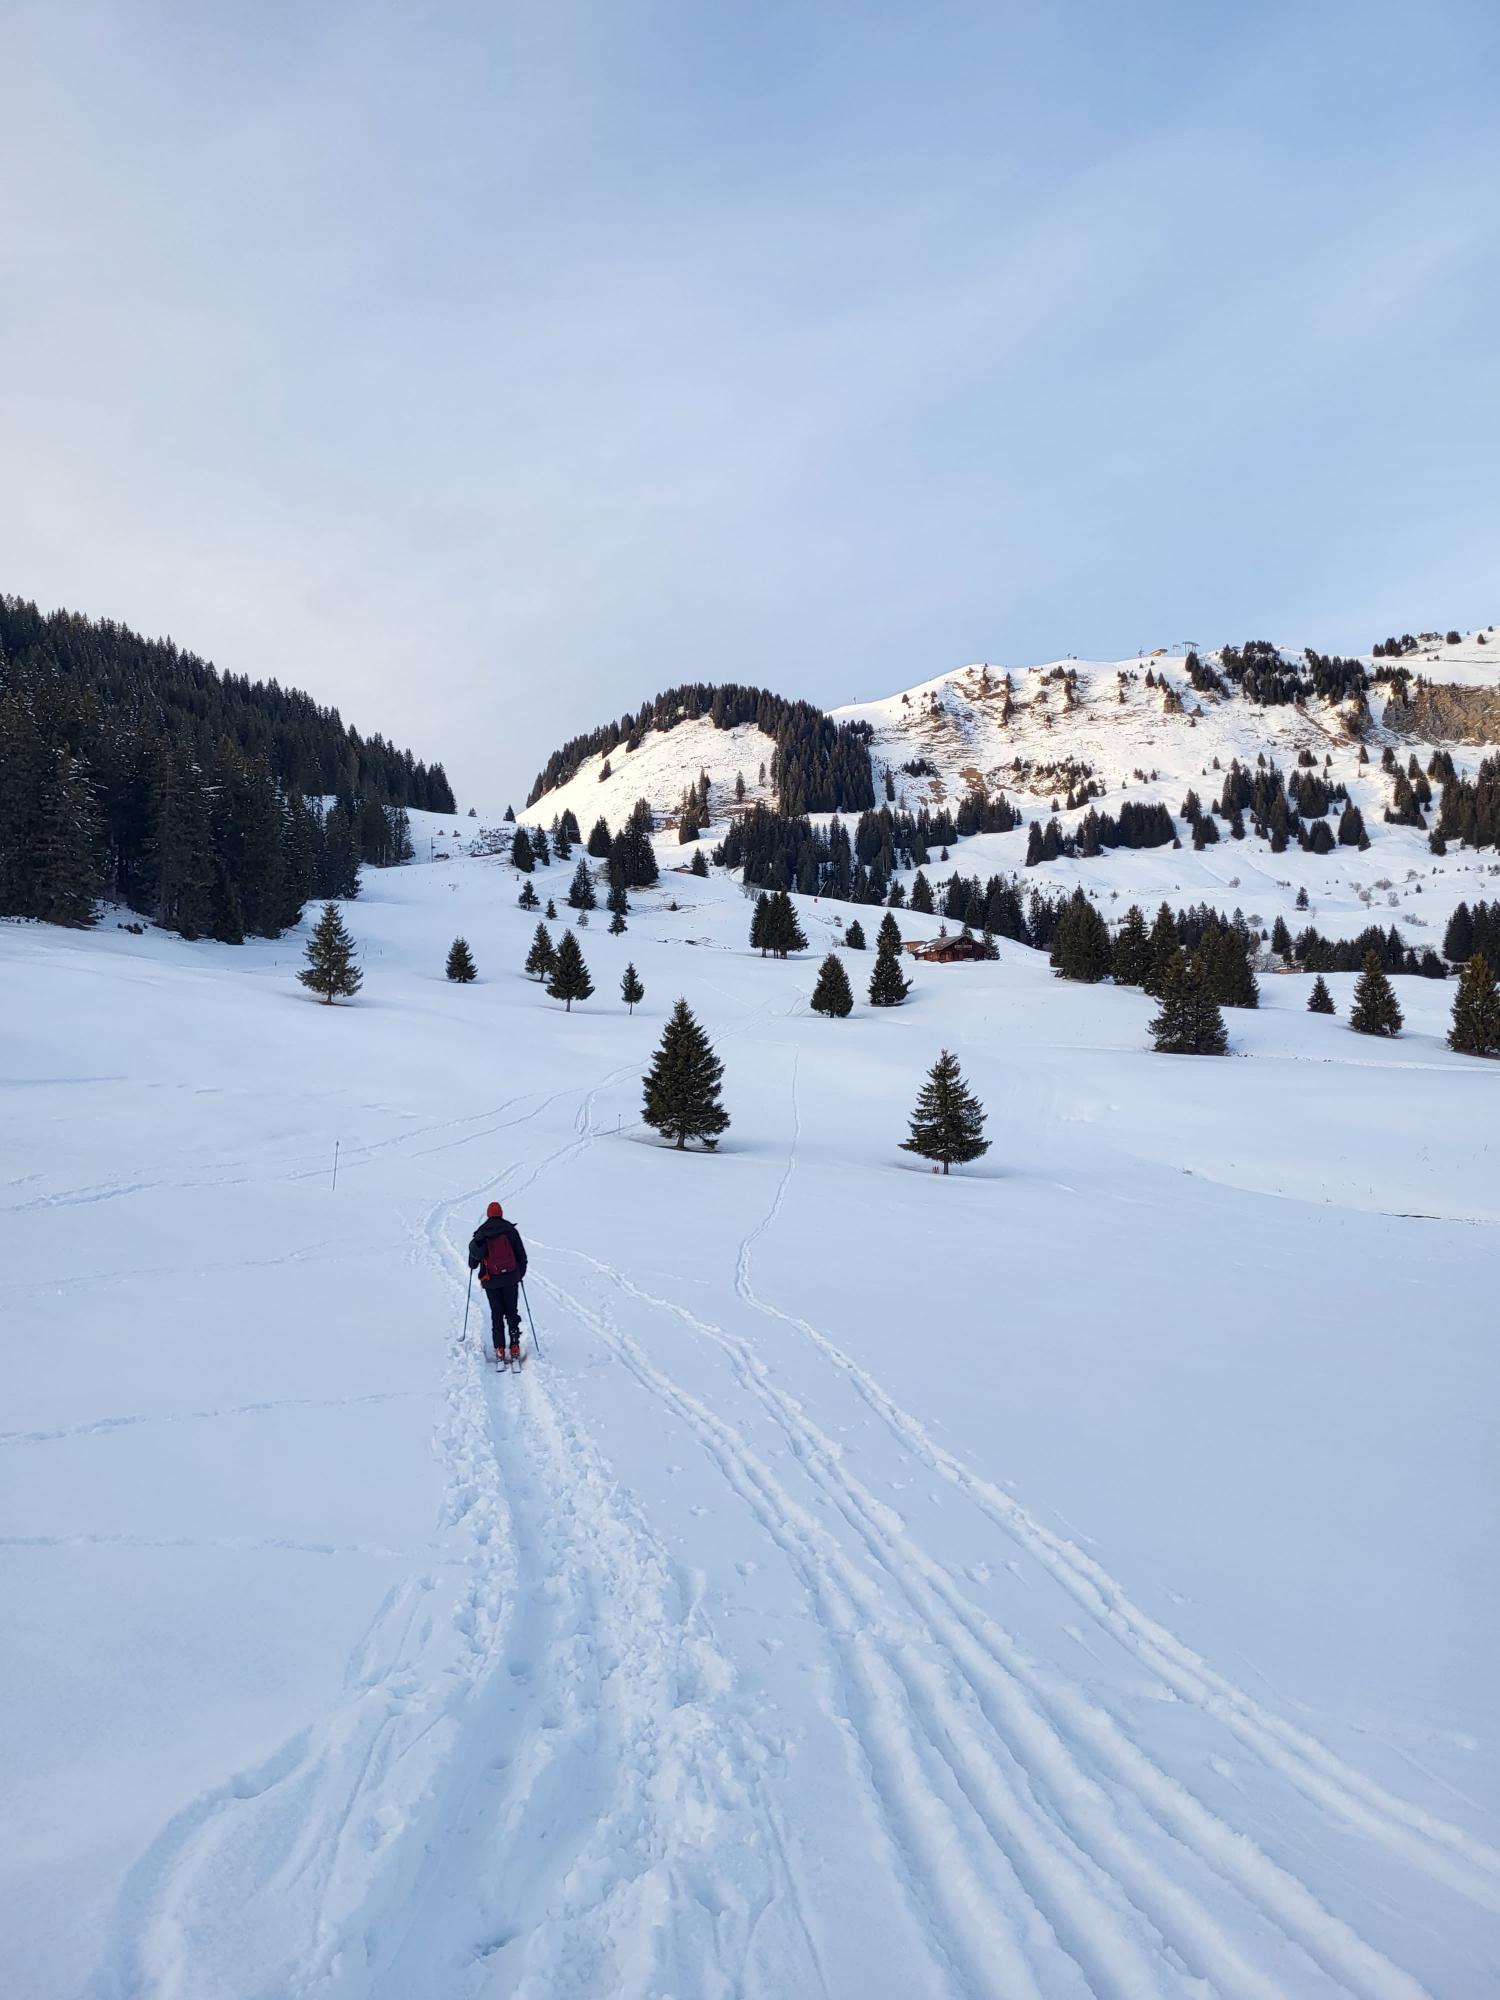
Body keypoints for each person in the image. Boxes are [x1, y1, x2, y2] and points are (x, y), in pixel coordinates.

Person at [467, 1201, 528, 1361]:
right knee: (511, 1311)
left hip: (491, 1281)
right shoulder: (511, 1231)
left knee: (496, 1313)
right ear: (501, 1213)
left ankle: (500, 1348)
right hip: (510, 1279)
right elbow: (522, 1256)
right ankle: (514, 1344)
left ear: (488, 1214)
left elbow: (473, 1262)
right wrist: (518, 1275)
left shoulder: (481, 1233)